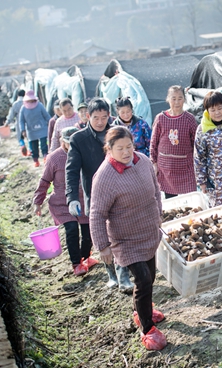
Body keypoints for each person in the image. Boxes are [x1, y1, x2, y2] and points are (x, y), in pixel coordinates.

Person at [90, 126, 167, 351]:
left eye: (129, 147)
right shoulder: (104, 176)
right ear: (109, 149)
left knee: (150, 277)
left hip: (147, 231)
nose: (126, 152)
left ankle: (141, 309)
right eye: (120, 148)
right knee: (142, 280)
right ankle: (147, 328)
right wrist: (102, 246)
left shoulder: (142, 161)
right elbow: (96, 213)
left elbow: (156, 190)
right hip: (125, 239)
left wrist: (159, 214)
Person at [65, 97, 134, 293]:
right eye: (96, 117)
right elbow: (71, 170)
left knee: (119, 233)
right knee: (101, 236)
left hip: (120, 190)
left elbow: (130, 157)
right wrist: (72, 197)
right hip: (94, 193)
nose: (100, 122)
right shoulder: (78, 139)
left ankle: (124, 275)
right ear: (88, 116)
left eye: (104, 117)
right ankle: (111, 274)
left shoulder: (116, 133)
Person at [33, 126, 98, 276]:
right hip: (62, 203)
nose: (72, 146)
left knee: (88, 232)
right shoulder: (55, 158)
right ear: (62, 141)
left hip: (84, 200)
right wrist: (38, 201)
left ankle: (86, 257)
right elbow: (45, 180)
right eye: (69, 143)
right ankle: (76, 264)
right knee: (72, 229)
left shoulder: (86, 153)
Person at [150, 85, 197, 198]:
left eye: (180, 98)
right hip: (166, 168)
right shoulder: (160, 118)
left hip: (185, 168)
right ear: (168, 99)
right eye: (173, 98)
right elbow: (154, 142)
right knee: (172, 202)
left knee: (189, 201)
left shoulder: (189, 119)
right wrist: (154, 162)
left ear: (184, 100)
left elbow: (196, 143)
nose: (177, 102)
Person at [19, 90, 51, 168]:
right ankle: (36, 160)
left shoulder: (39, 105)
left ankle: (45, 157)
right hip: (31, 131)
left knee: (44, 145)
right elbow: (21, 120)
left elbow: (46, 116)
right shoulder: (23, 108)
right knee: (33, 147)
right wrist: (23, 130)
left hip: (42, 129)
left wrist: (51, 124)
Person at [6, 89, 29, 156]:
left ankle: (22, 146)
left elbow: (11, 115)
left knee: (20, 138)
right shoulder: (28, 102)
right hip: (28, 123)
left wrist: (7, 122)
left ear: (17, 95)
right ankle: (30, 150)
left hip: (19, 123)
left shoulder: (15, 104)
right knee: (30, 138)